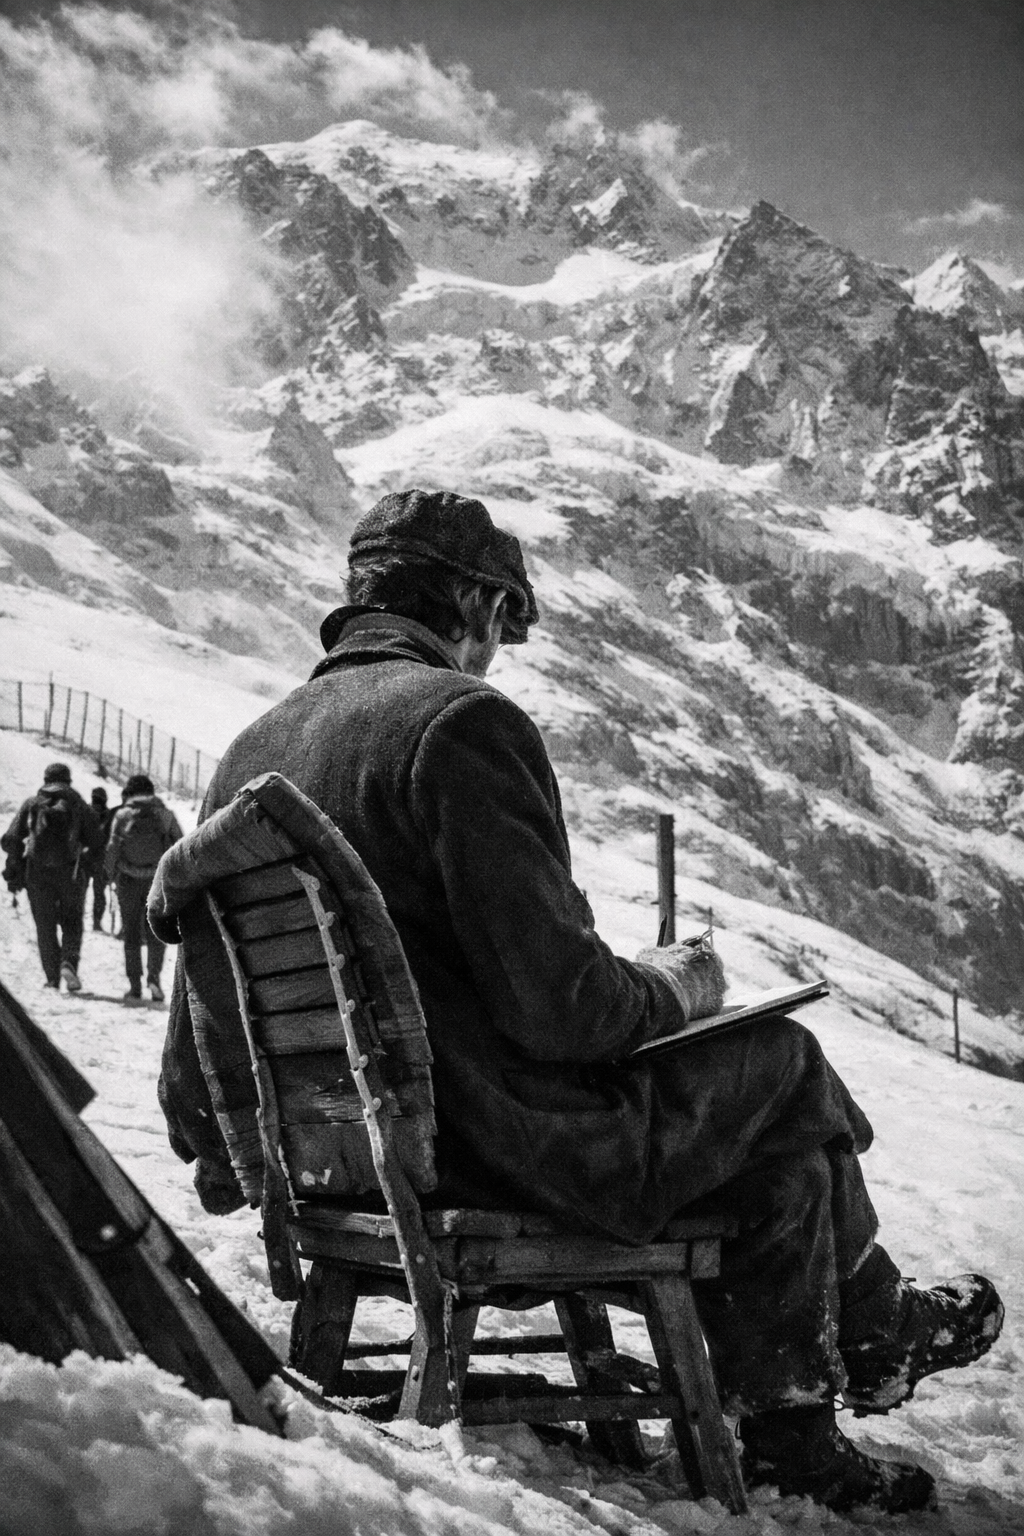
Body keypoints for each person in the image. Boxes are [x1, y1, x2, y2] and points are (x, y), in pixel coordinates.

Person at [156, 490, 1003, 1515]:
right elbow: (561, 1010)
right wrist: (677, 985)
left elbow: (197, 1036)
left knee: (781, 1179)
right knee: (781, 1064)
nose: (500, 649)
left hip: (339, 1168)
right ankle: (869, 1330)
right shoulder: (457, 724)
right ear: (469, 599)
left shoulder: (251, 754)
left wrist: (247, 1142)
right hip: (489, 1151)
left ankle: (804, 1415)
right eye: (506, 619)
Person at [2, 761, 101, 992]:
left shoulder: (33, 803)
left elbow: (10, 838)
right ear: (68, 780)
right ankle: (69, 961)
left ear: (46, 780)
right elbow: (96, 841)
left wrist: (17, 862)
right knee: (72, 921)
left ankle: (52, 977)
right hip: (71, 873)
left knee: (45, 926)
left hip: (37, 874)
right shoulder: (78, 804)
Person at [105, 773, 182, 1004]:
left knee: (131, 934)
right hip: (157, 883)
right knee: (156, 933)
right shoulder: (165, 815)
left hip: (128, 881)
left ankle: (134, 985)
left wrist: (110, 875)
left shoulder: (122, 814)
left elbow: (112, 848)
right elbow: (180, 845)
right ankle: (154, 980)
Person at [86, 785, 115, 932]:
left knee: (79, 892)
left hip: (84, 859)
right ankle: (96, 922)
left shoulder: (85, 812)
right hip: (100, 860)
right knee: (99, 893)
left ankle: (74, 920)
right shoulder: (110, 815)